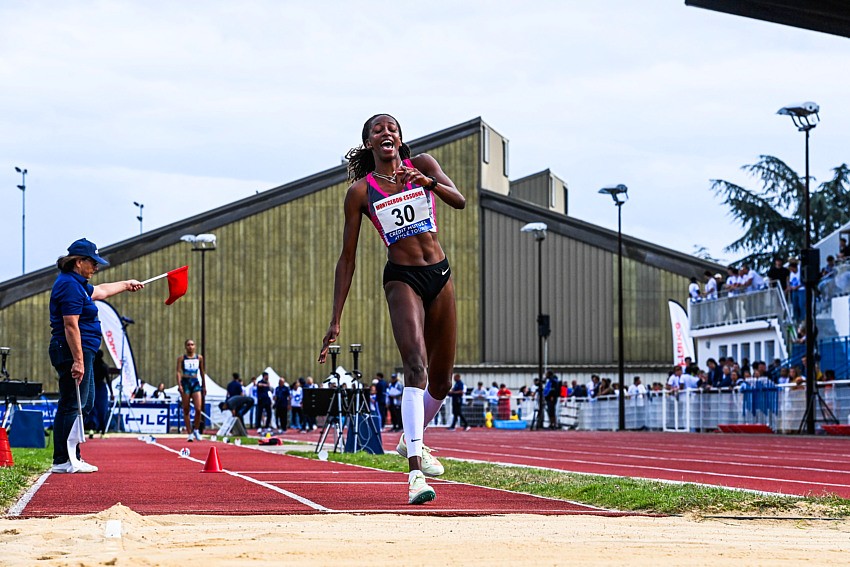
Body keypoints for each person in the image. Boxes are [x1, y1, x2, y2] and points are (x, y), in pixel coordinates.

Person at [318, 113, 465, 505]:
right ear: (370, 143)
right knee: (415, 366)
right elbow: (346, 258)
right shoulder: (360, 193)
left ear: (400, 140)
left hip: (440, 273)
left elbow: (460, 201)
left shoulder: (424, 166)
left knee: (443, 381)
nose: (387, 132)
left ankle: (409, 438)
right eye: (378, 129)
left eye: (392, 128)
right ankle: (415, 471)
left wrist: (427, 182)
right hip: (402, 278)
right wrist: (336, 318)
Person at [48, 238, 144, 473]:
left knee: (82, 402)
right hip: (71, 351)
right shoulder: (70, 285)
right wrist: (79, 360)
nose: (97, 267)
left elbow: (100, 291)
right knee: (74, 403)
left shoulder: (78, 283)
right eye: (93, 263)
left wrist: (126, 284)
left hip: (81, 351)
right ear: (79, 262)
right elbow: (71, 325)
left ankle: (68, 457)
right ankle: (65, 459)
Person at [176, 338, 206, 442]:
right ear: (185, 347)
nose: (190, 346)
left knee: (198, 409)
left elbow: (202, 372)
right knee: (186, 408)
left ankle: (196, 429)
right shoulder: (181, 358)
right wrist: (179, 384)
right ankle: (189, 433)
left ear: (195, 346)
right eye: (188, 345)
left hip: (195, 382)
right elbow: (178, 372)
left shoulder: (199, 358)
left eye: (192, 344)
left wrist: (204, 386)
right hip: (185, 382)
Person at [88, 350, 113, 435]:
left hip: (92, 386)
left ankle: (91, 428)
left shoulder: (92, 366)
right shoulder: (104, 366)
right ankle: (102, 430)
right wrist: (111, 392)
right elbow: (108, 380)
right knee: (102, 409)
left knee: (92, 408)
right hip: (101, 387)